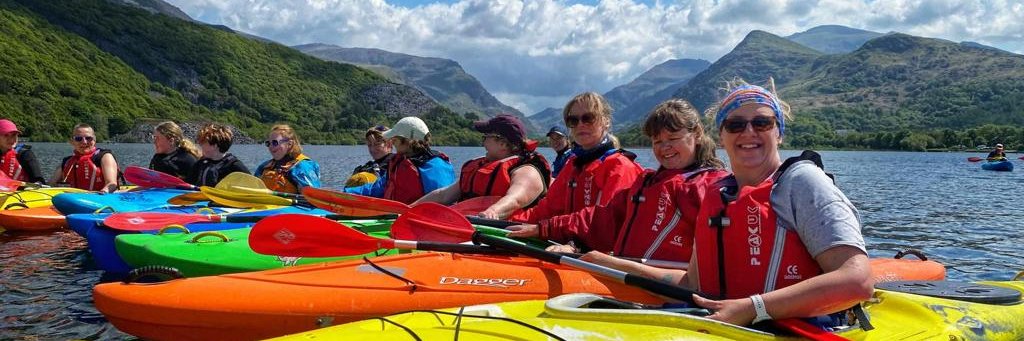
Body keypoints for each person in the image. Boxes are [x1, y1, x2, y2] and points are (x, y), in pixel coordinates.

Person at [580, 79, 873, 327]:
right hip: (725, 324)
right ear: (721, 135)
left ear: (779, 132)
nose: (748, 132)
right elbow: (692, 284)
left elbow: (856, 281)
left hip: (788, 328)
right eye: (735, 125)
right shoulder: (718, 194)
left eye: (762, 122)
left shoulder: (802, 183)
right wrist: (608, 263)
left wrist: (753, 308)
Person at [507, 100, 728, 261]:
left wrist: (584, 250)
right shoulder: (648, 182)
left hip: (666, 295)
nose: (664, 147)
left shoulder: (710, 188)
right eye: (657, 141)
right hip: (626, 280)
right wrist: (545, 228)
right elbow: (604, 217)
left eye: (673, 138)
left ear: (697, 134)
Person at [508, 92, 644, 224]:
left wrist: (559, 236)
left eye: (588, 118)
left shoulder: (620, 167)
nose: (580, 124)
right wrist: (508, 221)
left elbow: (605, 223)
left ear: (606, 121)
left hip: (589, 245)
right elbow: (547, 209)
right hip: (569, 239)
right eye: (573, 120)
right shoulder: (573, 165)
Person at [415, 114, 551, 219]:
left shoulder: (527, 171)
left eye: (486, 137)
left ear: (503, 144)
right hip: (472, 230)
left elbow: (514, 199)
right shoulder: (481, 165)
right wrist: (409, 208)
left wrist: (492, 212)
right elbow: (443, 196)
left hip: (505, 239)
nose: (483, 142)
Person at [344, 116, 455, 204]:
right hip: (397, 218)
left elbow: (443, 203)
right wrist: (346, 194)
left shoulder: (436, 167)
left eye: (395, 140)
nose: (392, 143)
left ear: (408, 141)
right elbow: (376, 188)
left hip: (422, 224)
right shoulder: (399, 163)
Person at [52, 124, 120, 192]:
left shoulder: (105, 157)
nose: (84, 142)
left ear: (94, 140)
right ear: (72, 142)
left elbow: (112, 184)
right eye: (78, 139)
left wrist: (102, 192)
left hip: (100, 198)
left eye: (88, 138)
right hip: (71, 199)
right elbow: (51, 185)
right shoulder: (66, 161)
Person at [254, 124, 321, 193]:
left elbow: (314, 197)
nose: (270, 147)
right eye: (268, 143)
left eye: (275, 142)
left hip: (292, 203)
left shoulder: (303, 167)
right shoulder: (264, 167)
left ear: (289, 144)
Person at [186, 123, 249, 187]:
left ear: (214, 145)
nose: (201, 146)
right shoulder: (200, 164)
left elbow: (253, 186)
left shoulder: (235, 165)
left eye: (203, 143)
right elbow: (187, 184)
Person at [0, 119, 46, 184]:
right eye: (6, 135)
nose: (11, 139)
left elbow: (39, 181)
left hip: (22, 192)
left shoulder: (25, 155)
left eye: (14, 135)